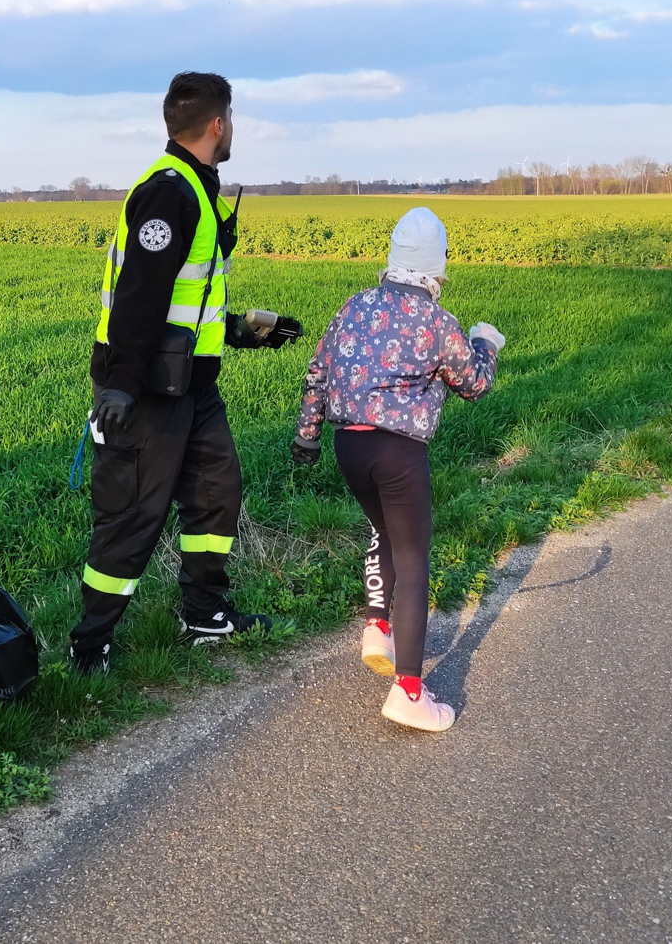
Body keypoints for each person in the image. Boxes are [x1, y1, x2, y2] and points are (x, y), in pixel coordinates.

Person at [69, 71, 303, 674]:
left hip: (191, 386)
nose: (233, 130)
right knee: (132, 516)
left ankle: (204, 614)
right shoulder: (169, 193)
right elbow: (140, 297)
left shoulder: (198, 187)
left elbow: (187, 298)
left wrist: (241, 330)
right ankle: (89, 646)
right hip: (145, 390)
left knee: (215, 493)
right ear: (218, 124)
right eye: (233, 120)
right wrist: (120, 384)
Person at [290, 207, 504, 732]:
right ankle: (409, 692)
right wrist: (486, 344)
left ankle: (378, 626)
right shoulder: (437, 321)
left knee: (382, 529)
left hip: (349, 447)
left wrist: (307, 435)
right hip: (399, 453)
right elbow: (474, 384)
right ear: (437, 265)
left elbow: (318, 372)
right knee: (413, 561)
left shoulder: (355, 304)